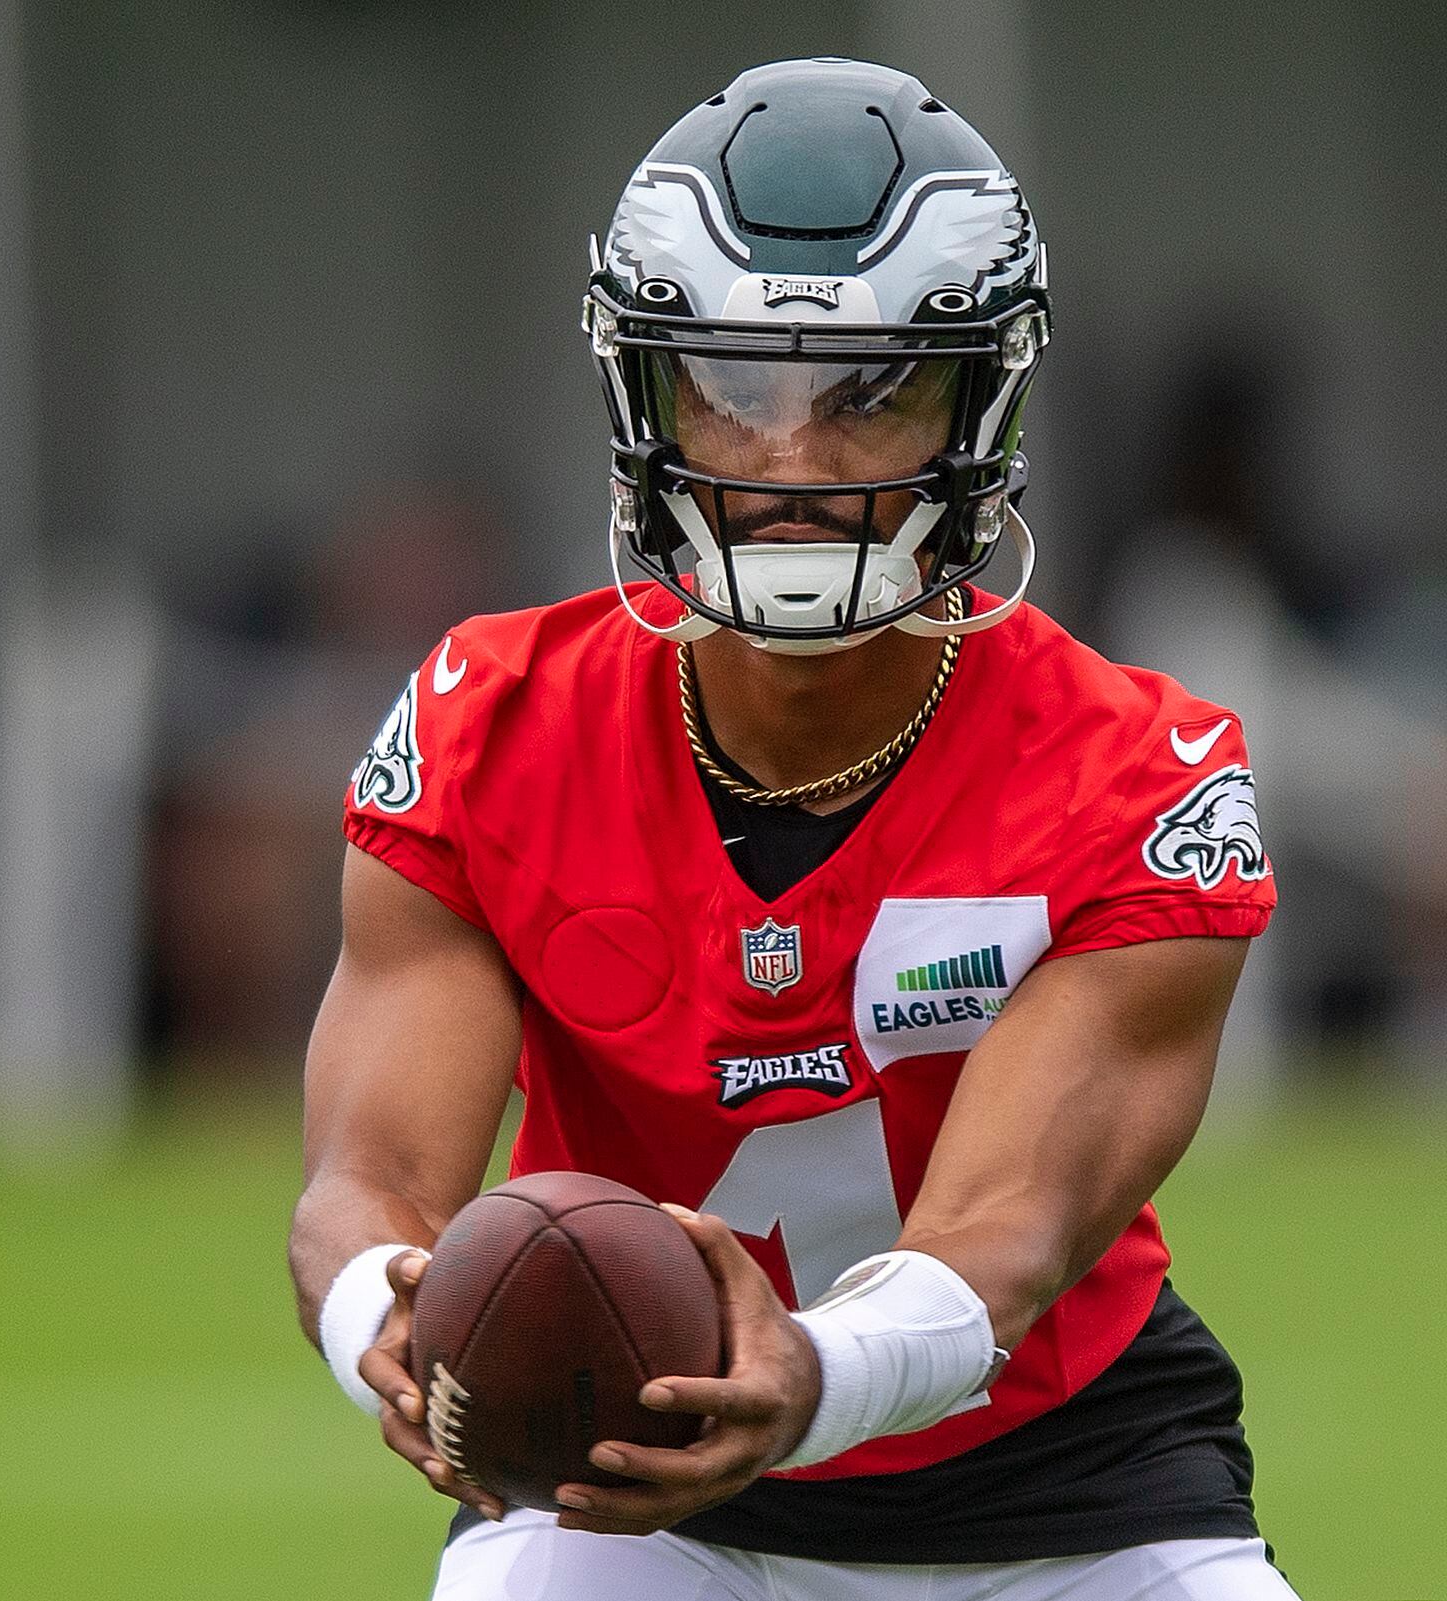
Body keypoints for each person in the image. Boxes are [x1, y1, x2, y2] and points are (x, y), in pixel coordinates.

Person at [287, 58, 1297, 1601]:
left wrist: (808, 1375)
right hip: (623, 1492)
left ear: (987, 397)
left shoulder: (1133, 779)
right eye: (736, 383)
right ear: (645, 385)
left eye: (874, 392)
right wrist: (393, 1325)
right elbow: (361, 1183)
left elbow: (1004, 1235)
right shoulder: (493, 725)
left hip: (1058, 1489)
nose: (793, 463)